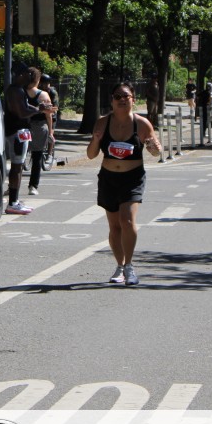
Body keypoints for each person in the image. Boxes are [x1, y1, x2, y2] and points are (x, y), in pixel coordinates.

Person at [86, 83, 161, 286]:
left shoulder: (142, 124)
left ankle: (129, 266)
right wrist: (96, 140)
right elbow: (91, 155)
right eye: (117, 96)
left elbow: (155, 152)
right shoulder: (102, 123)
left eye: (125, 96)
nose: (121, 99)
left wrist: (154, 147)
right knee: (114, 226)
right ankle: (119, 266)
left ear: (133, 100)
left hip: (132, 178)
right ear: (111, 100)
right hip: (108, 177)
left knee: (127, 220)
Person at [3, 64, 51, 214]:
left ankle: (14, 201)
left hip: (18, 131)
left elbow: (25, 106)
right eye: (27, 75)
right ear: (21, 75)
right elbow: (22, 112)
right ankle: (13, 202)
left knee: (18, 166)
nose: (29, 78)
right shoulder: (15, 90)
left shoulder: (17, 90)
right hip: (17, 132)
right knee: (17, 167)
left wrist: (37, 108)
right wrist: (39, 110)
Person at [24, 68, 55, 196]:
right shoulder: (44, 95)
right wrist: (51, 132)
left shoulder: (20, 92)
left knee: (19, 158)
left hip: (23, 126)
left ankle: (12, 186)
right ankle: (33, 186)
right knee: (37, 157)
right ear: (37, 80)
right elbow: (49, 115)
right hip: (39, 127)